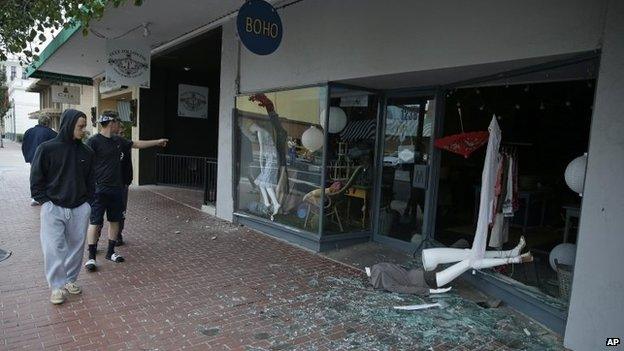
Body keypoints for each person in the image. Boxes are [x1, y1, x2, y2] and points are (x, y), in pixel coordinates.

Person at [84, 110, 168, 271]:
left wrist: (157, 141)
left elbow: (136, 144)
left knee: (115, 221)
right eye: (118, 122)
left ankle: (110, 252)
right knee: (95, 222)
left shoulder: (118, 140)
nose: (120, 125)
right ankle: (91, 257)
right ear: (111, 123)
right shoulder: (93, 142)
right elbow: (83, 162)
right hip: (98, 190)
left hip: (116, 189)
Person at [30, 109, 93, 305]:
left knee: (76, 248)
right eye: (80, 126)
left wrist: (87, 204)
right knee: (53, 248)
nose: (84, 130)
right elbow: (36, 178)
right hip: (53, 207)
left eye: (84, 126)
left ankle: (70, 281)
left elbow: (91, 181)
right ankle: (56, 287)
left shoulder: (86, 152)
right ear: (68, 124)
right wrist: (44, 201)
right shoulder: (47, 149)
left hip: (79, 207)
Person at [22, 115, 58, 206]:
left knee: (34, 176)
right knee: (47, 177)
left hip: (32, 158)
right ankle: (45, 196)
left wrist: (28, 157)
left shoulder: (28, 132)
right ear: (48, 123)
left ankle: (35, 197)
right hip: (48, 161)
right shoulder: (52, 134)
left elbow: (24, 146)